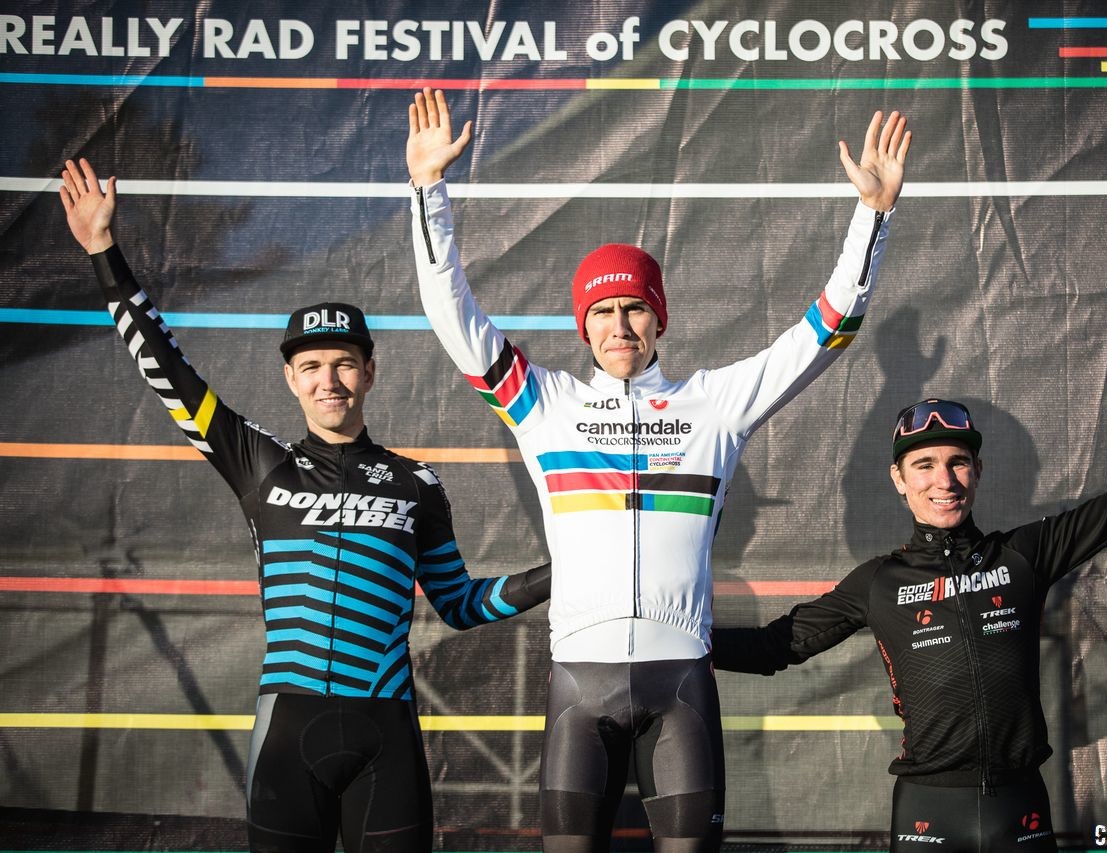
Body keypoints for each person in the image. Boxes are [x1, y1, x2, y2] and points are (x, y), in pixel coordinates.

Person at [404, 87, 909, 853]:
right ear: (583, 326)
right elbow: (451, 313)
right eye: (602, 313)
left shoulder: (715, 404)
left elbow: (827, 329)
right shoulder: (545, 404)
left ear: (660, 318)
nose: (619, 326)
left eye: (635, 309)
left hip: (682, 683)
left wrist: (871, 215)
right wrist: (427, 189)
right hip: (579, 682)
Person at [59, 157, 551, 853]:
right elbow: (166, 368)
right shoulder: (260, 463)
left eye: (345, 362)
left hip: (387, 739)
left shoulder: (417, 483)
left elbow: (462, 604)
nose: (330, 379)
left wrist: (564, 569)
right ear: (290, 377)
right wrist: (105, 255)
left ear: (370, 372)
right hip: (288, 734)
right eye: (313, 365)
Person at [711, 306, 1107, 852]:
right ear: (899, 480)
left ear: (978, 471)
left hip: (1019, 807)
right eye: (924, 465)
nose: (943, 480)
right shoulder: (878, 581)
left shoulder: (1023, 554)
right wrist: (665, 642)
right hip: (928, 809)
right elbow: (772, 647)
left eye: (958, 462)